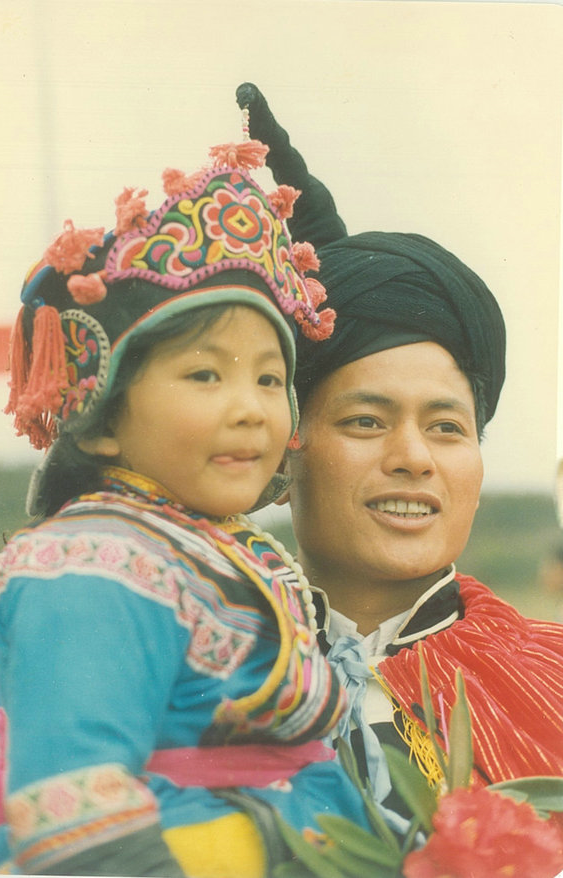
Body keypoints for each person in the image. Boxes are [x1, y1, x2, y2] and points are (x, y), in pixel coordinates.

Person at [0, 120, 371, 877]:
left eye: (269, 378)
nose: (250, 408)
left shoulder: (224, 546)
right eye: (205, 375)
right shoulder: (89, 562)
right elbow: (78, 818)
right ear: (103, 421)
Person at [239, 83, 563, 835]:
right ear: (284, 452)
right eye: (365, 421)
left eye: (448, 427)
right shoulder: (190, 677)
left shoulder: (553, 681)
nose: (414, 457)